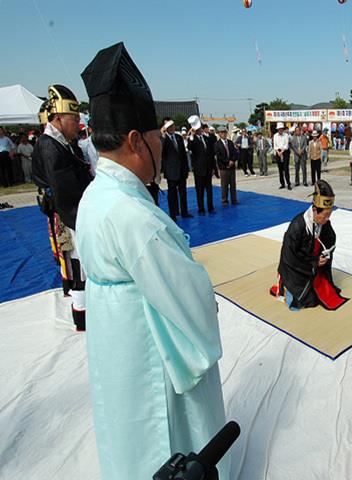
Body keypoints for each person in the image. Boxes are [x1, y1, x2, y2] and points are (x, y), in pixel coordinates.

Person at [77, 42, 229, 480]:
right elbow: (185, 297)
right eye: (158, 139)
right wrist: (207, 300)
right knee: (165, 430)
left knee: (125, 426)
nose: (163, 149)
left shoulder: (96, 195)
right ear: (134, 141)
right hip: (148, 344)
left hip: (115, 336)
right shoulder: (134, 215)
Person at [31, 84, 93, 331]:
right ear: (58, 119)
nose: (77, 124)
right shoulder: (50, 146)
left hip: (71, 209)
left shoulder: (64, 142)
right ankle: (83, 319)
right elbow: (67, 191)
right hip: (70, 215)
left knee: (77, 265)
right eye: (73, 118)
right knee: (78, 266)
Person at [270, 180, 348, 310]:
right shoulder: (297, 226)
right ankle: (284, 286)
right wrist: (314, 262)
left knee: (325, 292)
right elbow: (289, 257)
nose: (327, 219)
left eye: (329, 215)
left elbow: (330, 240)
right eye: (325, 215)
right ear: (314, 210)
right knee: (305, 301)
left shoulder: (324, 222)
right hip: (295, 268)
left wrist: (325, 254)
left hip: (312, 265)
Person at [161, 119, 192, 221]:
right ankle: (173, 214)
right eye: (170, 127)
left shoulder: (178, 138)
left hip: (181, 170)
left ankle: (184, 212)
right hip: (171, 171)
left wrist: (186, 168)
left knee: (183, 192)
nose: (172, 128)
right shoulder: (164, 140)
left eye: (173, 126)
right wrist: (163, 136)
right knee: (172, 194)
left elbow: (183, 154)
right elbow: (161, 151)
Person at [187, 115, 215, 214]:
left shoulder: (206, 138)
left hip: (207, 168)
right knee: (200, 191)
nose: (199, 130)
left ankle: (210, 207)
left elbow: (211, 152)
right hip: (199, 169)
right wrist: (191, 136)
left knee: (209, 189)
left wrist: (213, 168)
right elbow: (190, 148)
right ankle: (201, 209)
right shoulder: (193, 139)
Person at [214, 125, 239, 205]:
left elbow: (235, 153)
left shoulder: (230, 143)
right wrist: (227, 162)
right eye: (222, 133)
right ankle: (224, 200)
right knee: (224, 185)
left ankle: (234, 199)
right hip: (223, 168)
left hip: (231, 167)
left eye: (225, 132)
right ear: (219, 134)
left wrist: (232, 161)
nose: (224, 134)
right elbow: (219, 156)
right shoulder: (217, 144)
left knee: (233, 184)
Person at [273, 122, 291, 190]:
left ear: (282, 129)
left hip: (285, 152)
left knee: (286, 169)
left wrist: (282, 152)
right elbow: (275, 145)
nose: (280, 130)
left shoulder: (286, 135)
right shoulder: (275, 135)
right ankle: (282, 184)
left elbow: (286, 145)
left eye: (281, 129)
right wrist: (278, 152)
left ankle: (288, 183)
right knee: (280, 169)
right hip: (278, 152)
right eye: (279, 129)